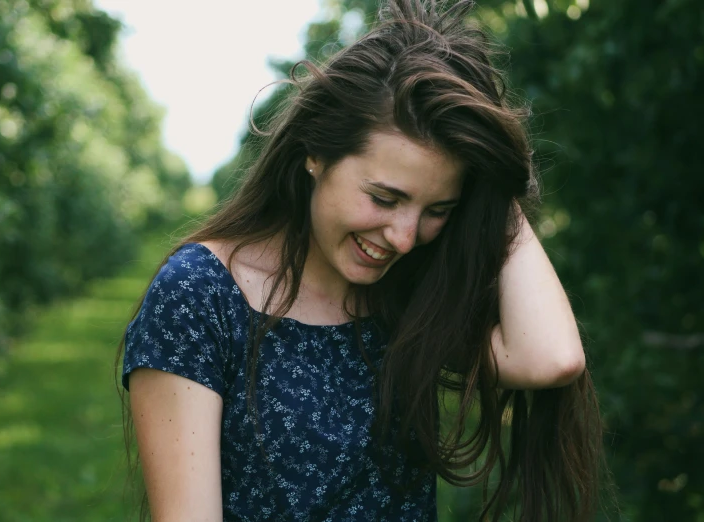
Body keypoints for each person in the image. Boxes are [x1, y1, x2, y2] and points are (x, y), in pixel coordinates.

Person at [117, 1, 605, 520]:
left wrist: (492, 183)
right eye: (385, 197)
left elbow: (550, 357)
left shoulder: (406, 293)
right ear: (315, 153)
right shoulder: (199, 294)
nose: (403, 237)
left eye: (438, 209)